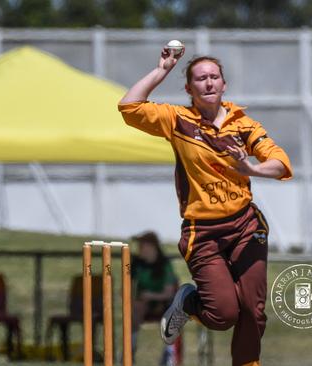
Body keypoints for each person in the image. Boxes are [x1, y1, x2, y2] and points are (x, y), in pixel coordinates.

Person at [118, 45, 293, 366]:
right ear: (189, 88)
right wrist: (162, 70)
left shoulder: (244, 125)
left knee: (252, 309)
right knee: (223, 314)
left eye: (214, 77)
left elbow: (280, 163)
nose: (209, 83)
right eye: (200, 79)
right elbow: (129, 107)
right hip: (204, 232)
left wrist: (252, 169)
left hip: (246, 226)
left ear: (224, 84)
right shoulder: (177, 120)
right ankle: (188, 303)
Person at [129, 231, 179, 363]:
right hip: (143, 304)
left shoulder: (164, 264)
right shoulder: (137, 264)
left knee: (172, 312)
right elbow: (127, 287)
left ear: (152, 246)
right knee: (136, 308)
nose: (139, 248)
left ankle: (169, 353)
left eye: (142, 245)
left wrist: (151, 296)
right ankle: (130, 350)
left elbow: (169, 293)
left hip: (163, 303)